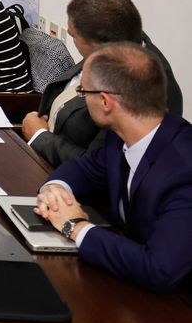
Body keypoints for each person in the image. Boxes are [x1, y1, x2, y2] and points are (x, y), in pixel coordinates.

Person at [34, 42, 192, 293]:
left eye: (84, 92)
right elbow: (85, 170)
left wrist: (74, 226)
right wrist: (56, 189)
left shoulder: (183, 170)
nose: (83, 99)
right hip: (129, 280)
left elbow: (159, 269)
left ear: (105, 102)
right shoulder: (120, 137)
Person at [22, 0, 183, 167]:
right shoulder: (116, 44)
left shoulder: (141, 86)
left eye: (73, 36)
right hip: (43, 155)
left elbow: (101, 166)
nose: (70, 39)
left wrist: (39, 136)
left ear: (96, 45)